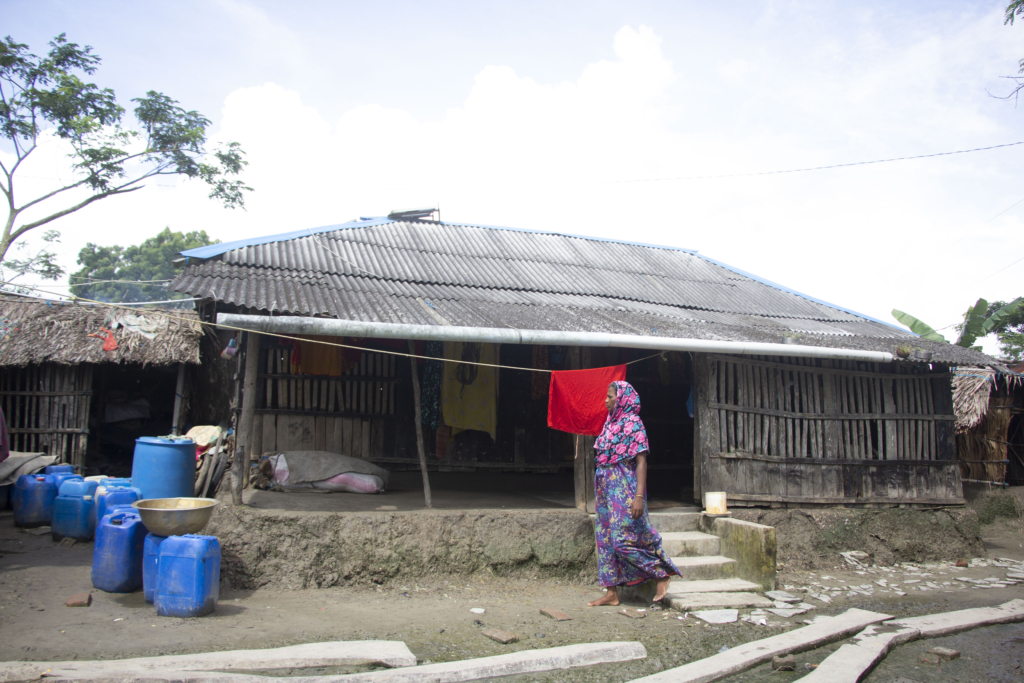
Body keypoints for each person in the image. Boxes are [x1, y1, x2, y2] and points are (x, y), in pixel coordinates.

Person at [587, 380, 681, 607]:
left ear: (622, 399)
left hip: (624, 489)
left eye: (610, 397)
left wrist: (639, 496)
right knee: (605, 540)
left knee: (622, 541)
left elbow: (641, 462)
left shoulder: (634, 424)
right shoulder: (610, 423)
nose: (606, 401)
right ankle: (611, 592)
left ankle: (660, 572)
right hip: (605, 489)